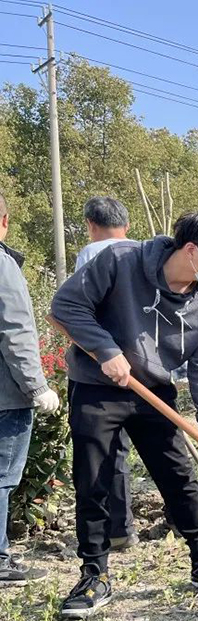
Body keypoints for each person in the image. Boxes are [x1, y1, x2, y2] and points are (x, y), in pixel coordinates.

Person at [51, 211, 198, 619]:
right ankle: (94, 575)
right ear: (192, 250)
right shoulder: (121, 261)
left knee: (179, 476)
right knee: (95, 481)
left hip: (153, 393)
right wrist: (106, 352)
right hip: (95, 388)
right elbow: (66, 307)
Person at [0, 191, 61, 585]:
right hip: (5, 400)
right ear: (4, 221)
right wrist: (37, 387)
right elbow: (16, 331)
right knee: (2, 478)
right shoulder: (2, 266)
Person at [73, 197, 138, 550]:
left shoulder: (91, 253)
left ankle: (117, 530)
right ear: (126, 225)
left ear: (90, 224)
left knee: (107, 453)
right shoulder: (140, 251)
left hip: (101, 371)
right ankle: (175, 519)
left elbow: (77, 313)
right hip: (144, 368)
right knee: (164, 454)